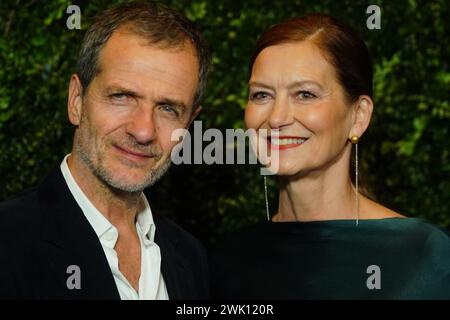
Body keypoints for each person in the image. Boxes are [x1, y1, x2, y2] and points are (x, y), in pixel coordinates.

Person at [211, 14, 450, 299]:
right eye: (262, 95)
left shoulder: (425, 256)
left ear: (358, 116)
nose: (276, 118)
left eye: (305, 94)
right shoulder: (224, 262)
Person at [0, 1, 210, 300]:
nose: (143, 131)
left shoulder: (191, 258)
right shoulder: (8, 244)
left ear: (188, 125)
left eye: (167, 109)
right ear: (76, 100)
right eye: (122, 96)